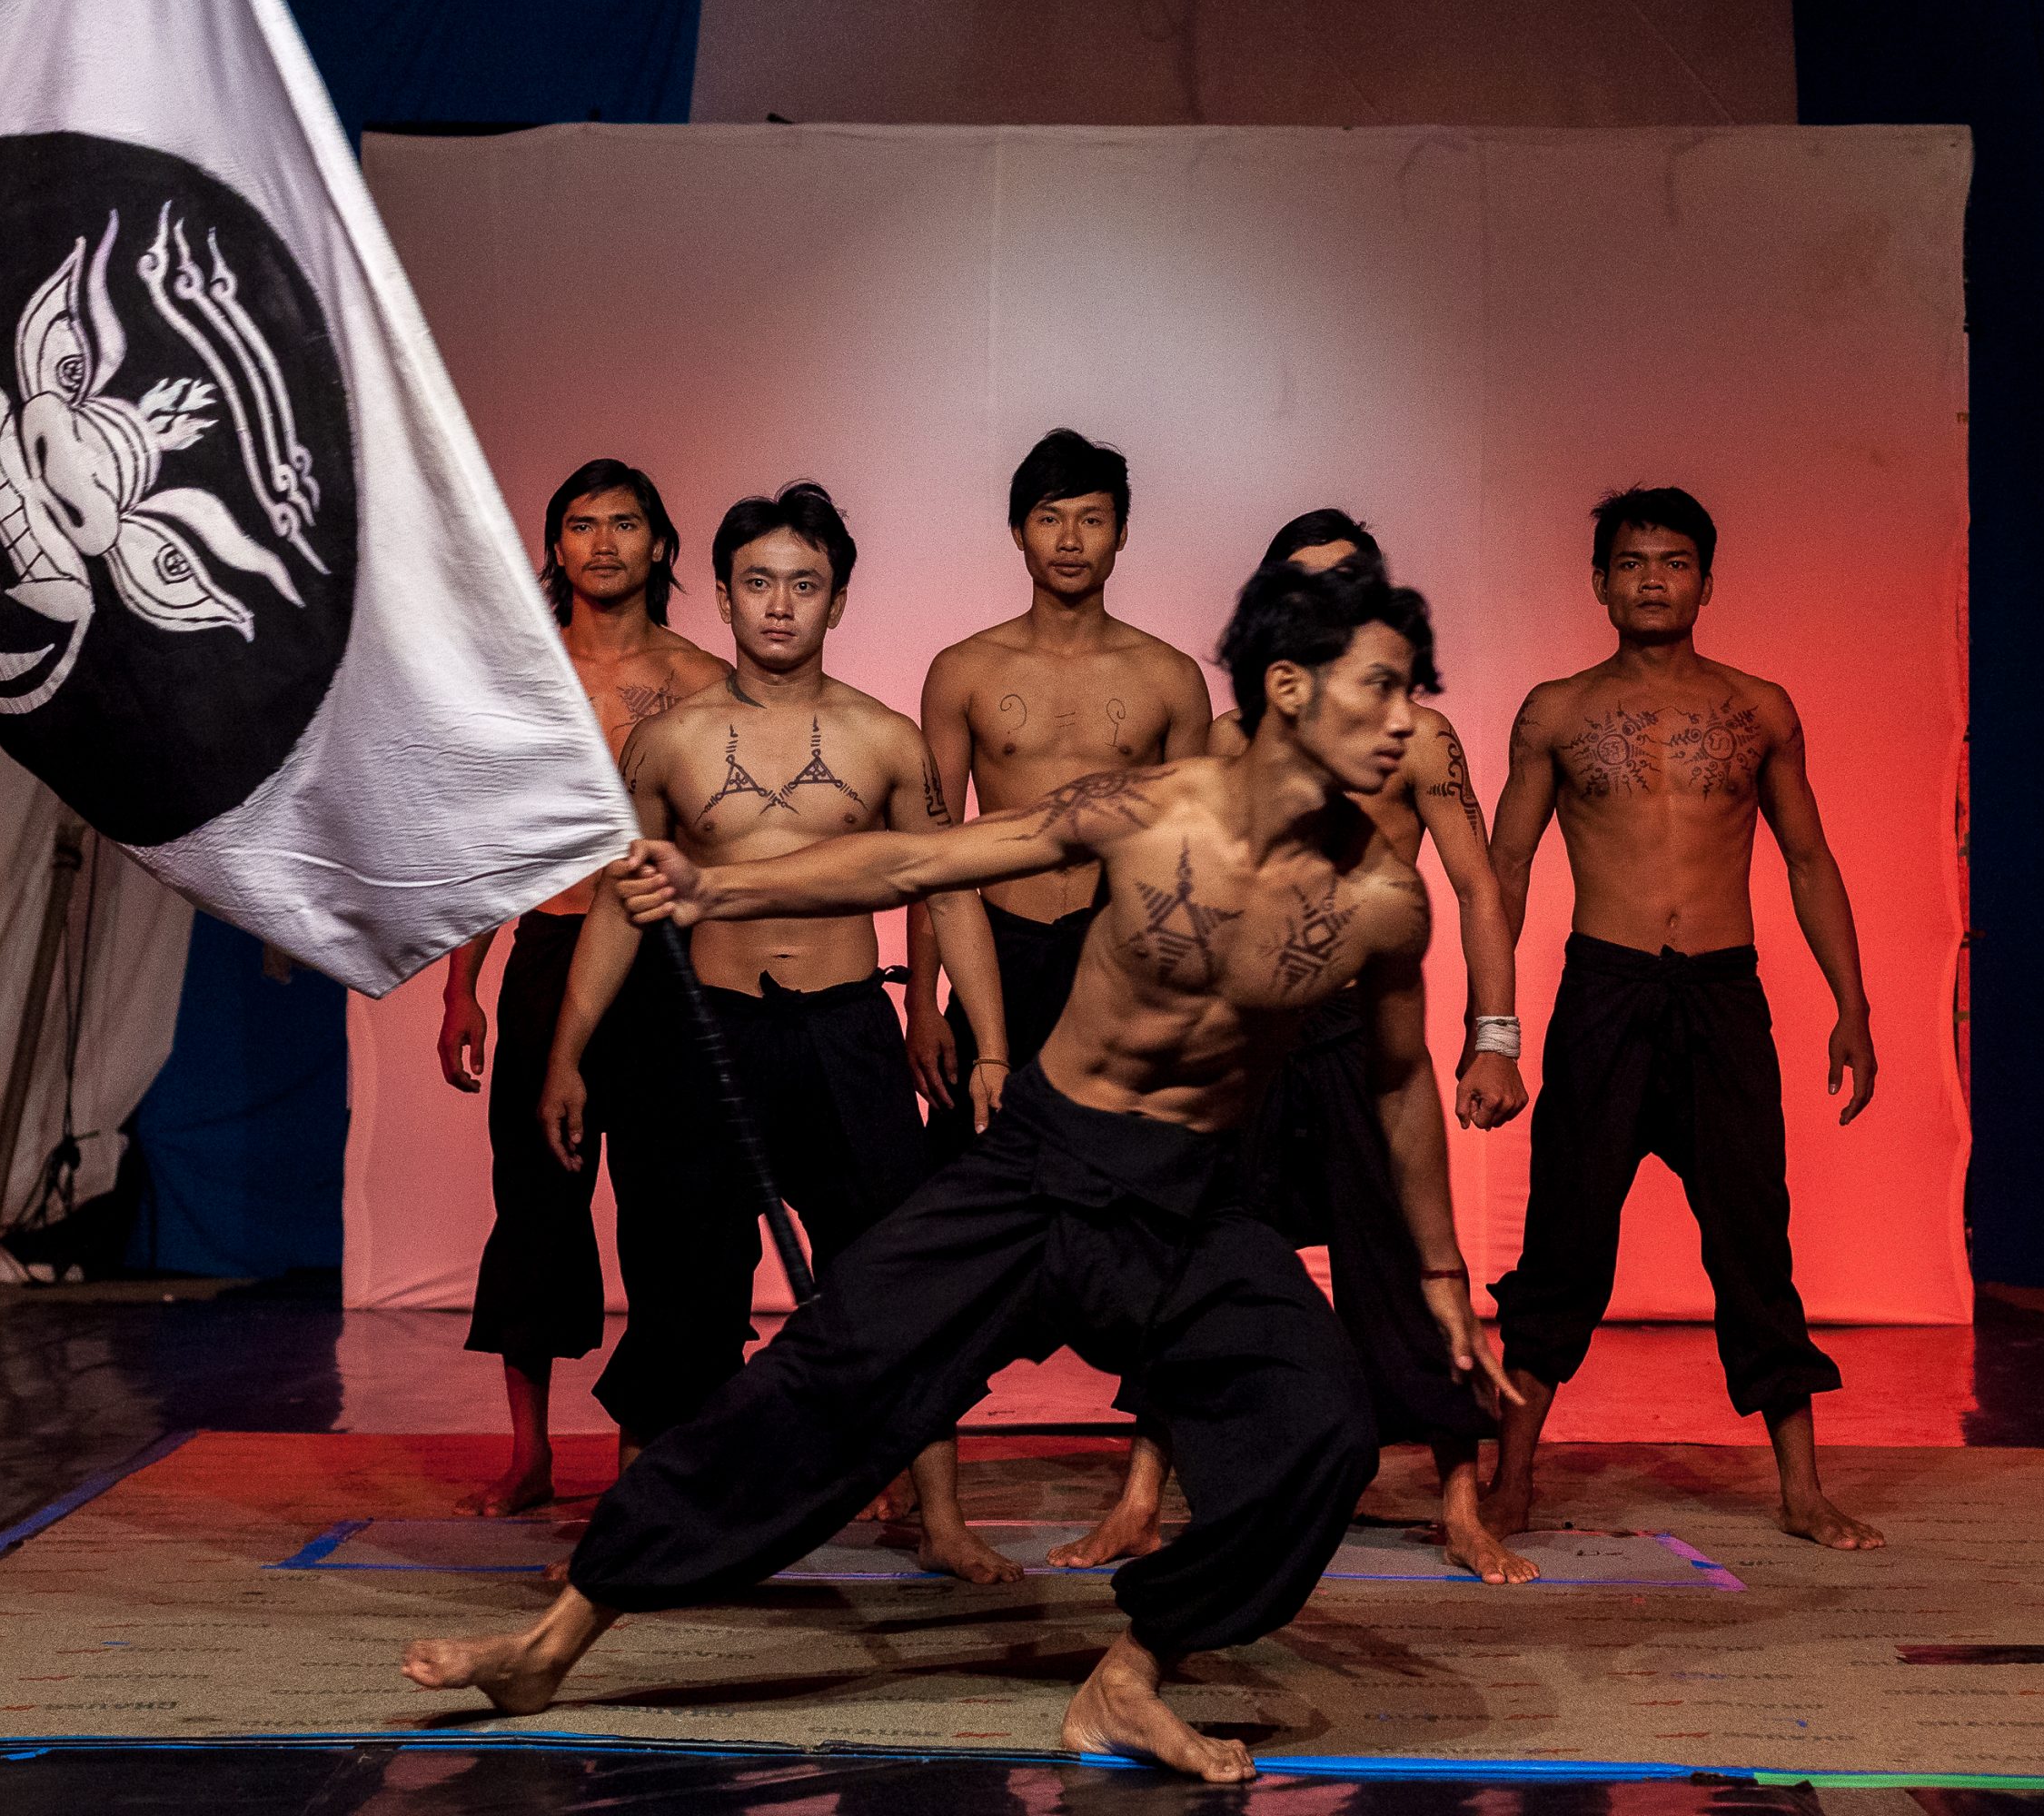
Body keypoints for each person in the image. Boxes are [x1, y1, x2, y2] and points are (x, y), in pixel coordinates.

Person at [404, 559, 1514, 1784]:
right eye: (1385, 689)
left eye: (1416, 694)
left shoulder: (1381, 903)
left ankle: (1132, 1679)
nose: (1410, 722)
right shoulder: (1151, 810)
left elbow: (1403, 1082)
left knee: (1322, 1429)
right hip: (1039, 1170)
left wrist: (1442, 1268)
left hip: (1190, 1202)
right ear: (1292, 687)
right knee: (823, 1381)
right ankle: (556, 1639)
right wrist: (721, 882)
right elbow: (915, 866)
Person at [537, 481, 1018, 1582]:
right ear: (720, 594)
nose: (780, 605)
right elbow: (622, 899)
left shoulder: (886, 738)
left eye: (805, 584)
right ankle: (641, 1517)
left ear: (837, 601)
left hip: (844, 1034)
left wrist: (984, 1041)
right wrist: (568, 1051)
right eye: (758, 582)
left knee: (896, 1271)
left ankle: (936, 1514)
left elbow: (949, 892)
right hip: (706, 1035)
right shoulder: (669, 743)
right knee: (679, 1276)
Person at [1053, 511, 1537, 1583]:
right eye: (1304, 589)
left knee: (1406, 1264)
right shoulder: (1237, 743)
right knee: (1198, 1254)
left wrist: (1492, 1038)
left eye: (1345, 585)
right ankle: (1142, 1495)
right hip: (1260, 1033)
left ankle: (1459, 1502)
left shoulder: (1417, 736)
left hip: (1368, 1031)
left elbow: (1476, 886)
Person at [1482, 485, 1882, 1550]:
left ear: (1707, 578)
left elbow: (1808, 857)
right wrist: (1494, 1027)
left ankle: (1801, 1486)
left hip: (1720, 991)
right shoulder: (1555, 711)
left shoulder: (1760, 707)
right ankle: (1512, 1475)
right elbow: (1505, 871)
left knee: (1754, 1233)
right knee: (1565, 1234)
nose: (1652, 577)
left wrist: (1853, 1003)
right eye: (1631, 561)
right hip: (1604, 989)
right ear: (1599, 581)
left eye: (1673, 561)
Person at [433, 460, 729, 1519]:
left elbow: (731, 841)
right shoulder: (521, 673)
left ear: (661, 544)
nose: (603, 541)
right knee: (537, 1205)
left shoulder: (702, 679)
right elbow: (486, 844)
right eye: (580, 524)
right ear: (554, 547)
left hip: (663, 966)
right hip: (550, 949)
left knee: (669, 1209)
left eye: (625, 523)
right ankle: (529, 1450)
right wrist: (462, 985)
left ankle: (643, 1444)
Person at [905, 429, 1215, 1155]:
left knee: (1117, 1197)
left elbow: (1190, 864)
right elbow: (934, 852)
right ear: (1018, 532)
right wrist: (922, 999)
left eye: (1092, 518)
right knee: (974, 1183)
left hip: (1121, 956)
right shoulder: (964, 671)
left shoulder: (1170, 678)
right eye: (1050, 517)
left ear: (1122, 532)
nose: (1070, 539)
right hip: (997, 951)